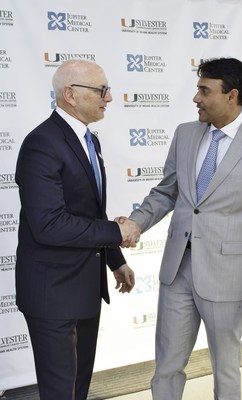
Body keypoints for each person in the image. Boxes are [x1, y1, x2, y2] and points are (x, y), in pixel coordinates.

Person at [117, 57, 242, 399]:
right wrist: (136, 223)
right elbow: (166, 192)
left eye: (204, 90)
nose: (196, 98)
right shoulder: (185, 134)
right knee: (166, 366)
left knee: (226, 372)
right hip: (177, 271)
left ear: (232, 96)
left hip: (228, 278)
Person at [15, 59, 140, 400]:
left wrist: (115, 260)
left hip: (85, 287)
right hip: (52, 293)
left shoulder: (88, 140)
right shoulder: (42, 143)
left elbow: (90, 210)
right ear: (70, 94)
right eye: (101, 90)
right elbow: (49, 225)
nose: (109, 98)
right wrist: (118, 233)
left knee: (78, 388)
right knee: (60, 392)